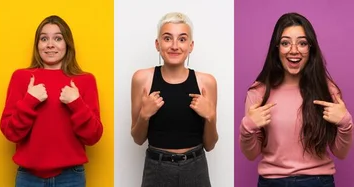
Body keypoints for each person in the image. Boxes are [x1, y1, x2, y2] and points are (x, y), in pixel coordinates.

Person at [239, 12, 353, 187]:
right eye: (285, 43)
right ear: (276, 49)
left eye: (302, 43)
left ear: (311, 48)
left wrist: (345, 123)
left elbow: (341, 152)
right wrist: (247, 127)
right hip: (272, 182)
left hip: (318, 182)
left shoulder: (327, 89)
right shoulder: (258, 92)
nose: (294, 50)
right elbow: (251, 154)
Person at [0, 15, 104, 187]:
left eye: (58, 38)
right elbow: (10, 133)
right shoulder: (21, 77)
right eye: (44, 38)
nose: (50, 44)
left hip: (71, 177)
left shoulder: (85, 80)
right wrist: (29, 101)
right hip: (28, 178)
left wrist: (76, 103)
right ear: (37, 45)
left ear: (67, 44)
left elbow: (93, 136)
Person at [130, 12, 218, 187]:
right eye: (168, 38)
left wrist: (210, 117)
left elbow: (210, 144)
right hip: (157, 168)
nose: (175, 46)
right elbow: (138, 138)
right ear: (158, 44)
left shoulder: (206, 82)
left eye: (182, 39)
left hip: (195, 167)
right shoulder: (142, 79)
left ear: (191, 45)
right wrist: (144, 115)